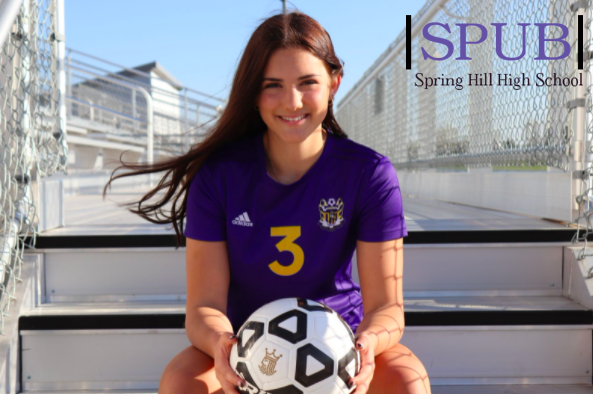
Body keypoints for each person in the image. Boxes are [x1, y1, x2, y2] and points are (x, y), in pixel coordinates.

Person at [104, 10, 430, 394]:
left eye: (308, 82)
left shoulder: (370, 173)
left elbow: (387, 308)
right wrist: (222, 346)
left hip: (339, 342)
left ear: (334, 82)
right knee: (181, 382)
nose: (291, 102)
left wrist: (367, 344)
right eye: (273, 85)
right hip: (245, 343)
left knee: (409, 381)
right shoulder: (218, 175)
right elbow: (203, 308)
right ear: (253, 93)